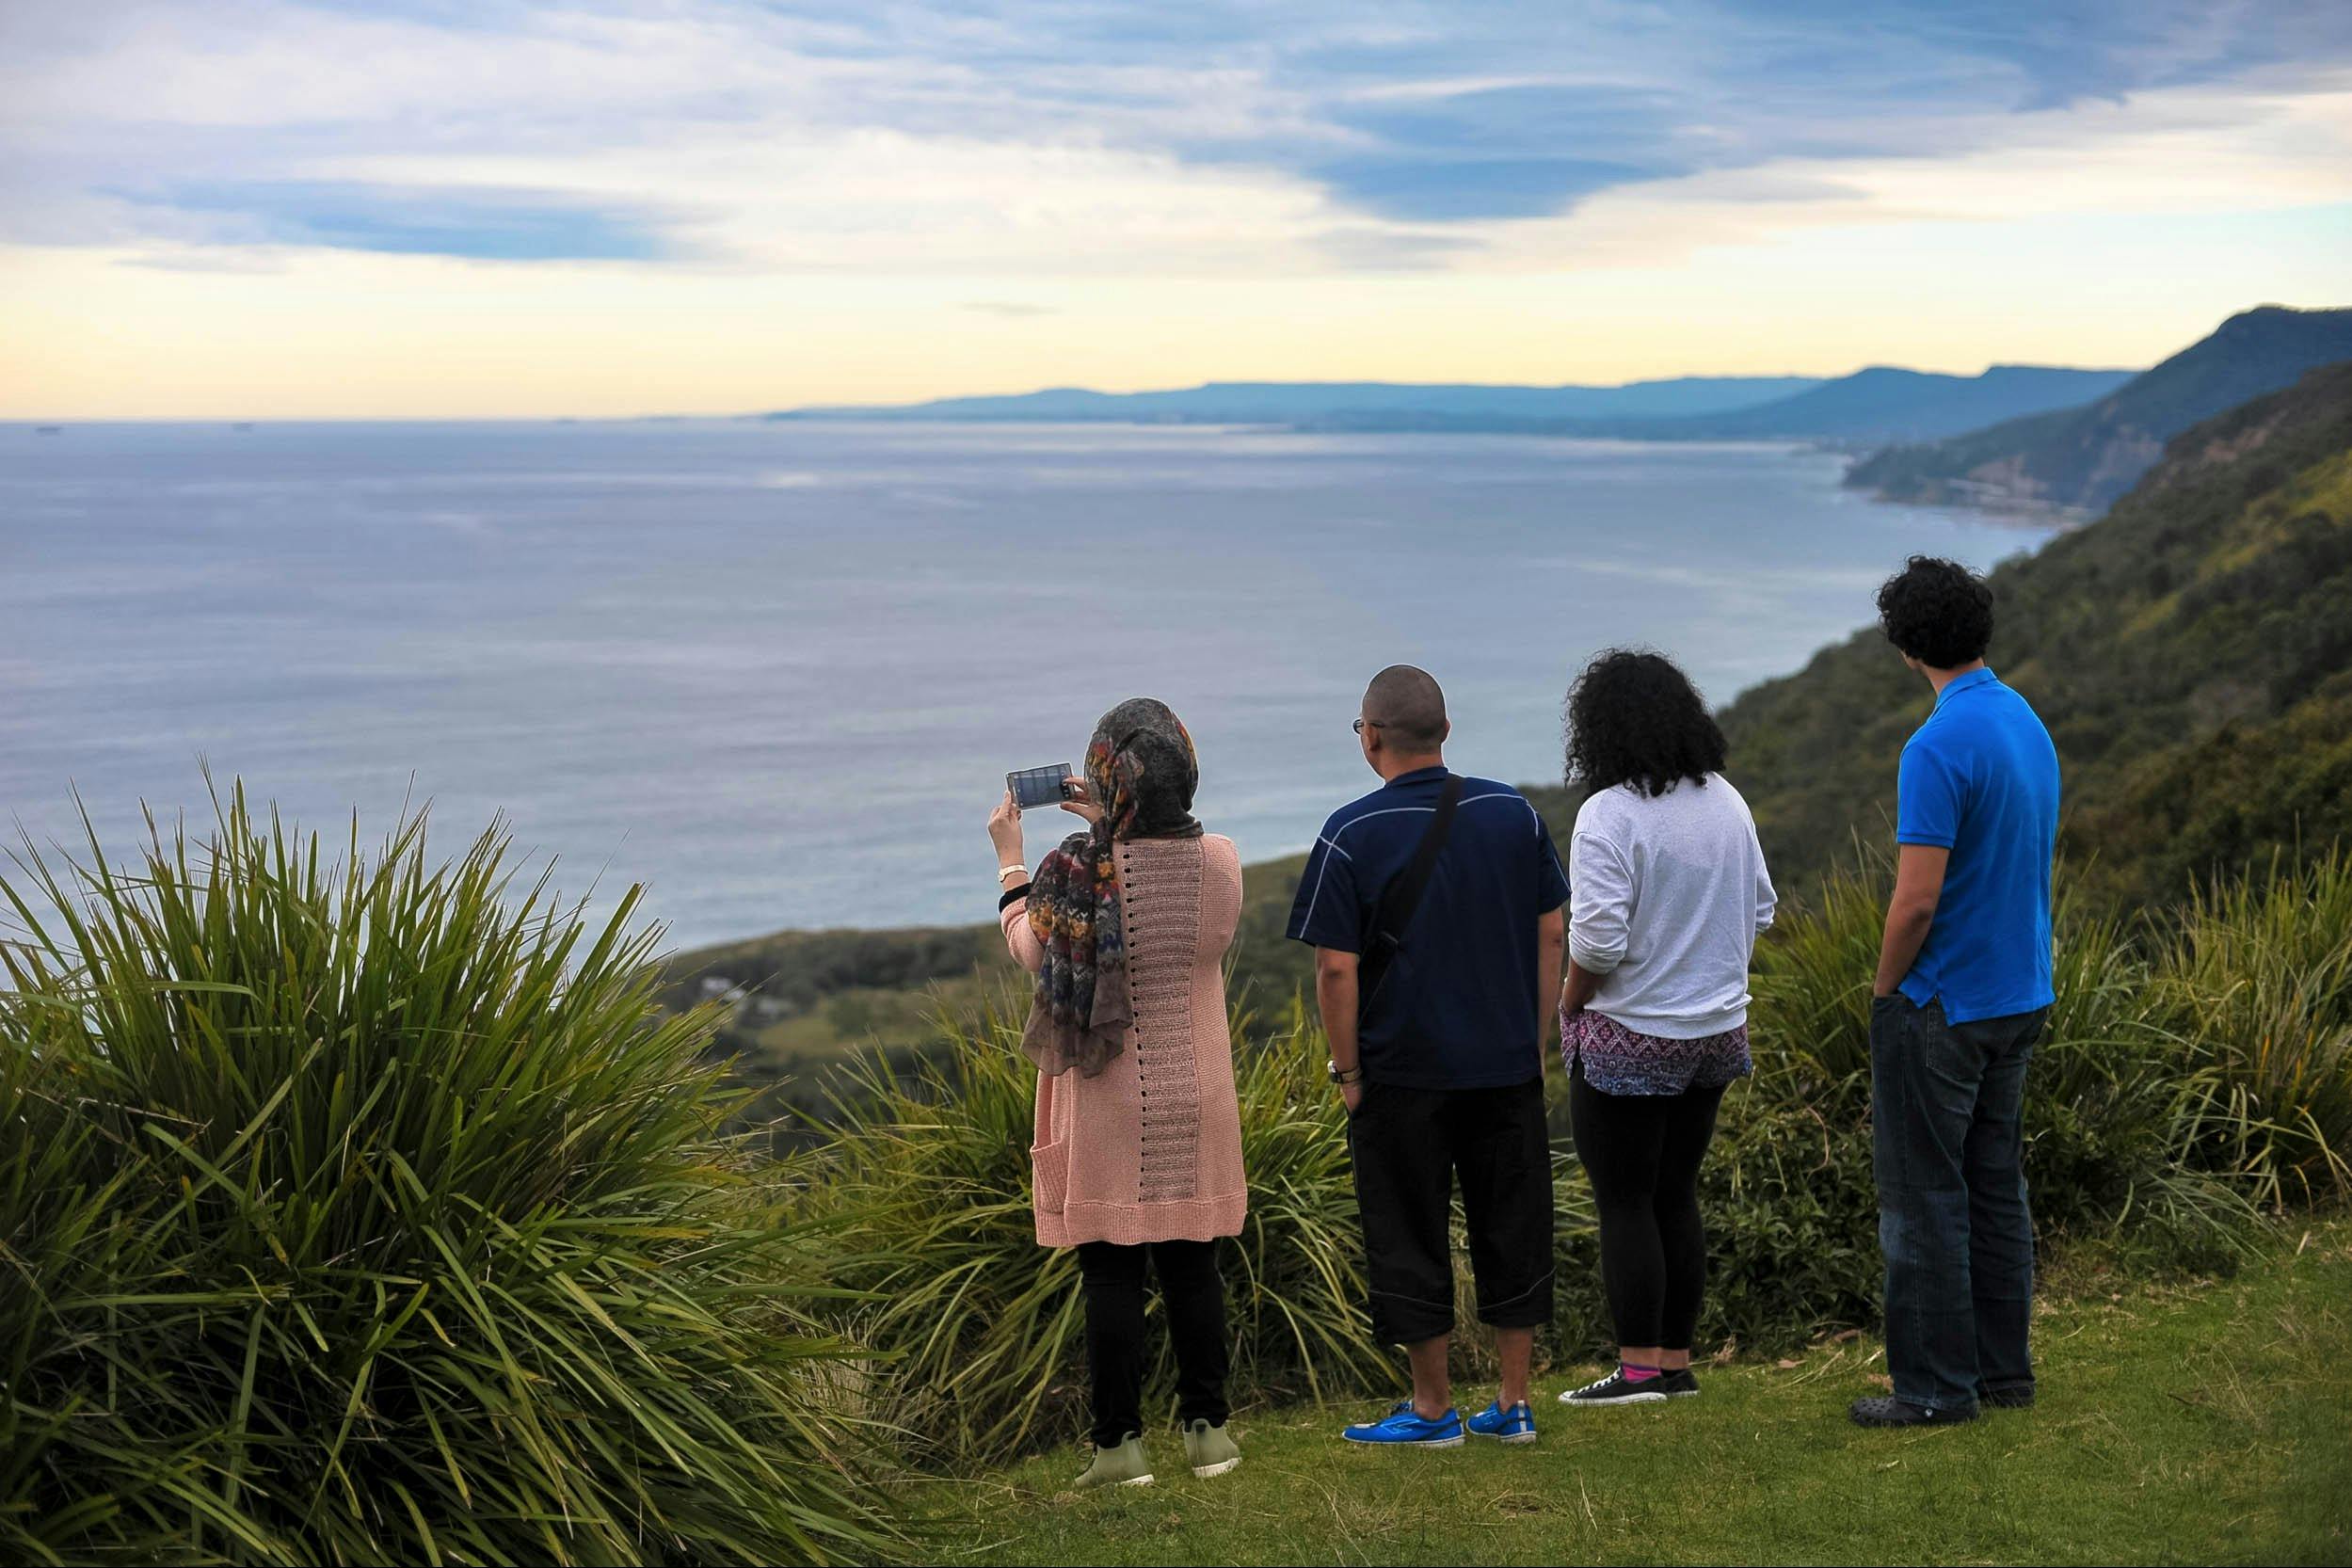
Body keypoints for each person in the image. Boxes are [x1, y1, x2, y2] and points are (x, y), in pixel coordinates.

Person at [1287, 665, 1568, 1448]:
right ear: (1444, 732)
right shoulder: (1510, 811)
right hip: (1504, 1064)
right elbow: (1552, 929)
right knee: (1512, 1225)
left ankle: (1434, 1408)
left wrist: (1347, 1075)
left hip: (1400, 1072)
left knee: (1407, 1232)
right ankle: (1513, 1404)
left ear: (1370, 736)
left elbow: (1334, 968)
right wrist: (1534, 1036)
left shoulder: (1349, 833)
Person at [987, 698, 1249, 1487]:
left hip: (1106, 1098)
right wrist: (1119, 818)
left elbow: (1033, 950)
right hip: (1196, 1094)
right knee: (1191, 1267)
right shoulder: (1222, 864)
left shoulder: (1073, 866)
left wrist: (1009, 861)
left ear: (1108, 774)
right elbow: (1164, 887)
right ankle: (1209, 1437)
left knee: (1110, 1276)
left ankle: (1118, 1448)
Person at [1850, 557, 2059, 1429]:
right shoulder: (2023, 719)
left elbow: (1917, 898)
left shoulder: (1934, 746)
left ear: (1904, 648)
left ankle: (1935, 1389)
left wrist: (1884, 988)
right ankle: (2002, 1376)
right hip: (2019, 991)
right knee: (1992, 1187)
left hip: (1945, 1002)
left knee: (1923, 1199)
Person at [1552, 650, 1776, 1408]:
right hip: (1715, 1030)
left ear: (1598, 729)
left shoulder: (1608, 813)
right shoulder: (1727, 802)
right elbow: (1761, 908)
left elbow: (1597, 944)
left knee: (1624, 1201)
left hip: (1630, 1033)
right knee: (1675, 1195)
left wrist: (1568, 1000)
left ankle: (1639, 1372)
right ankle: (1673, 1363)